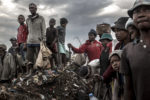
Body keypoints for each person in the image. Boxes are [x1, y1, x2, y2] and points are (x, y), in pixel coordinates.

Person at [121, 0, 150, 100]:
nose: (141, 14)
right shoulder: (128, 50)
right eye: (136, 12)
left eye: (146, 10)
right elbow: (128, 89)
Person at [26, 3, 46, 72]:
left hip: (38, 41)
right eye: (30, 8)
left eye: (33, 8)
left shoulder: (41, 18)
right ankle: (31, 72)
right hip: (29, 42)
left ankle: (40, 72)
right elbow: (28, 31)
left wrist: (44, 40)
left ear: (36, 9)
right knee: (29, 59)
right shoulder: (28, 19)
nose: (31, 9)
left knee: (39, 59)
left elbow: (43, 29)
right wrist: (26, 42)